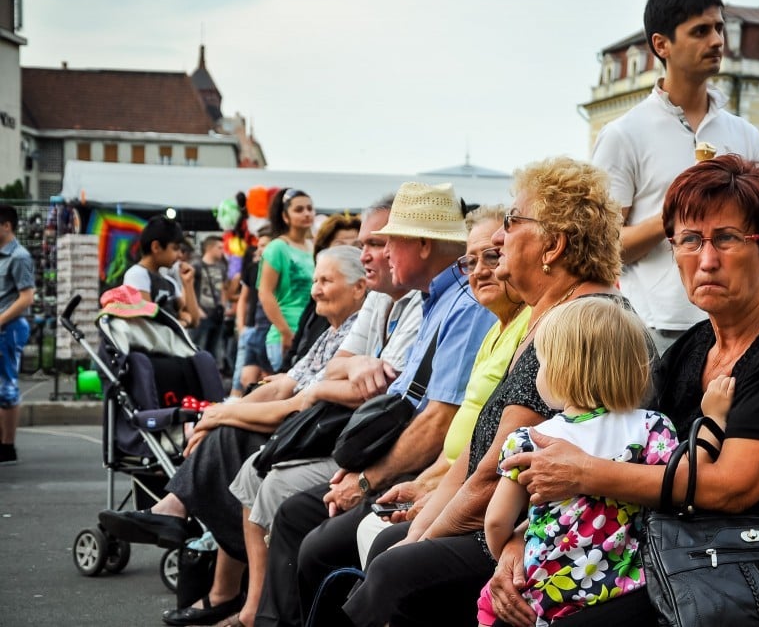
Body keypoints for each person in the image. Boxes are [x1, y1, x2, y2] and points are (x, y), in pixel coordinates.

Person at [487, 155, 759, 627]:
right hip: (692, 553)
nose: (705, 259)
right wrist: (517, 545)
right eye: (689, 240)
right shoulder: (694, 347)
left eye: (727, 239)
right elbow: (631, 454)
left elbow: (733, 487)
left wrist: (584, 472)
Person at [339, 156, 633, 627]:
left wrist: (423, 540)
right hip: (521, 525)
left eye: (513, 222)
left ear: (552, 246)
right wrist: (421, 530)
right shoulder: (547, 316)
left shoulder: (578, 327)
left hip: (559, 543)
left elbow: (496, 472)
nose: (498, 237)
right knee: (390, 551)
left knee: (395, 569)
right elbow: (474, 459)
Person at [255, 181, 497, 627]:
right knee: (296, 517)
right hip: (411, 467)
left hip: (421, 472)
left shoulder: (463, 304)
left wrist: (366, 481)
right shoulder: (433, 300)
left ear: (424, 245)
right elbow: (404, 401)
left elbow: (436, 423)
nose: (381, 255)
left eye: (388, 242)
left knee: (312, 540)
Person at [100, 246, 367, 627]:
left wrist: (222, 413)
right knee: (227, 434)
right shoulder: (331, 333)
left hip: (316, 433)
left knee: (232, 440)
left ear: (359, 289)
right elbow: (280, 389)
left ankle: (186, 525)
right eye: (315, 280)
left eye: (326, 281)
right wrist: (219, 412)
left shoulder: (358, 332)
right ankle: (217, 575)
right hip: (297, 425)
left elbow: (299, 406)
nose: (315, 290)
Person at [591, 0, 759, 353]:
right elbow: (605, 249)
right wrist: (673, 215)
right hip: (658, 330)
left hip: (743, 330)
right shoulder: (624, 134)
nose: (717, 41)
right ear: (661, 44)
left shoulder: (742, 133)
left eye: (720, 28)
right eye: (701, 31)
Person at [226, 197, 425, 627]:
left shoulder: (425, 302)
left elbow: (380, 398)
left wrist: (368, 476)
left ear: (417, 246)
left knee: (278, 487)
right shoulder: (379, 296)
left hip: (370, 445)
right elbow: (333, 371)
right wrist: (353, 366)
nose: (368, 253)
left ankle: (253, 608)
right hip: (350, 436)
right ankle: (240, 601)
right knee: (243, 455)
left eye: (378, 242)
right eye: (366, 243)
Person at [478, 298, 692, 627]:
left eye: (542, 363)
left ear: (562, 370)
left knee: (487, 606)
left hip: (543, 594)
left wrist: (505, 553)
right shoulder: (654, 428)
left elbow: (495, 522)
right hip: (624, 589)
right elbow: (672, 487)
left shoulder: (530, 440)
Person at [260, 188, 316, 371]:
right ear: (285, 216)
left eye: (310, 208)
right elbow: (265, 292)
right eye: (299, 210)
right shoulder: (277, 248)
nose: (307, 213)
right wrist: (285, 332)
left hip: (312, 333)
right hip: (286, 335)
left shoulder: (314, 246)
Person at [0, 205, 35, 466]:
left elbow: (27, 298)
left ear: (7, 225)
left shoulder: (19, 256)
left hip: (9, 328)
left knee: (7, 387)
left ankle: (7, 446)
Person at [123, 215, 201, 328]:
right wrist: (182, 322)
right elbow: (148, 324)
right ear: (156, 247)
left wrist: (188, 284)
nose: (179, 255)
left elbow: (194, 320)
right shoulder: (137, 275)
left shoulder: (169, 283)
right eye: (175, 248)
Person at [229, 226, 272, 400]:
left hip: (270, 330)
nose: (261, 249)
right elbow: (243, 298)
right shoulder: (253, 268)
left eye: (265, 245)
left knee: (267, 377)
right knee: (242, 378)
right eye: (259, 245)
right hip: (251, 329)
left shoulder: (281, 270)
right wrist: (241, 326)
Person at [192, 234, 229, 367]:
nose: (222, 251)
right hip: (201, 313)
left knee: (215, 348)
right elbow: (189, 288)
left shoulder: (222, 267)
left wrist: (223, 306)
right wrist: (196, 309)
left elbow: (224, 288)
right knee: (198, 346)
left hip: (217, 314)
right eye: (219, 247)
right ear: (210, 248)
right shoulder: (196, 266)